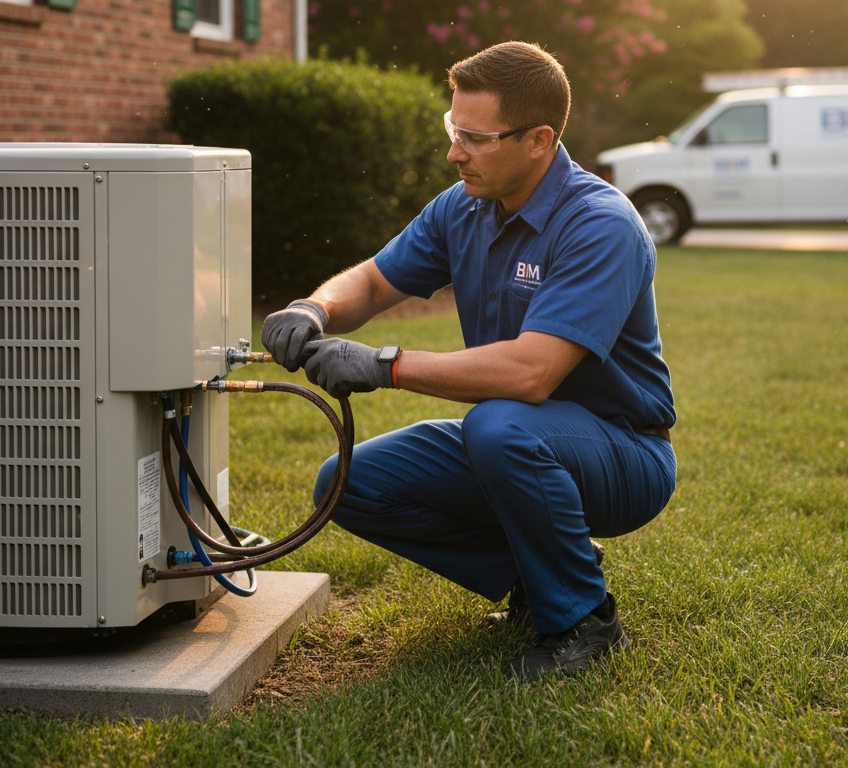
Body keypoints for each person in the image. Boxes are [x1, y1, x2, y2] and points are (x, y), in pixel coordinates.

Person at [262, 41, 677, 682]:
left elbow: (530, 375)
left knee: (499, 424)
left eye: (475, 138)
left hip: (624, 451)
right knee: (343, 482)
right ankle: (542, 576)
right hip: (515, 438)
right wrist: (313, 309)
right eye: (453, 131)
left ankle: (584, 622)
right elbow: (372, 283)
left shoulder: (600, 224)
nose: (454, 152)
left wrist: (385, 364)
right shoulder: (464, 205)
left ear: (539, 140)